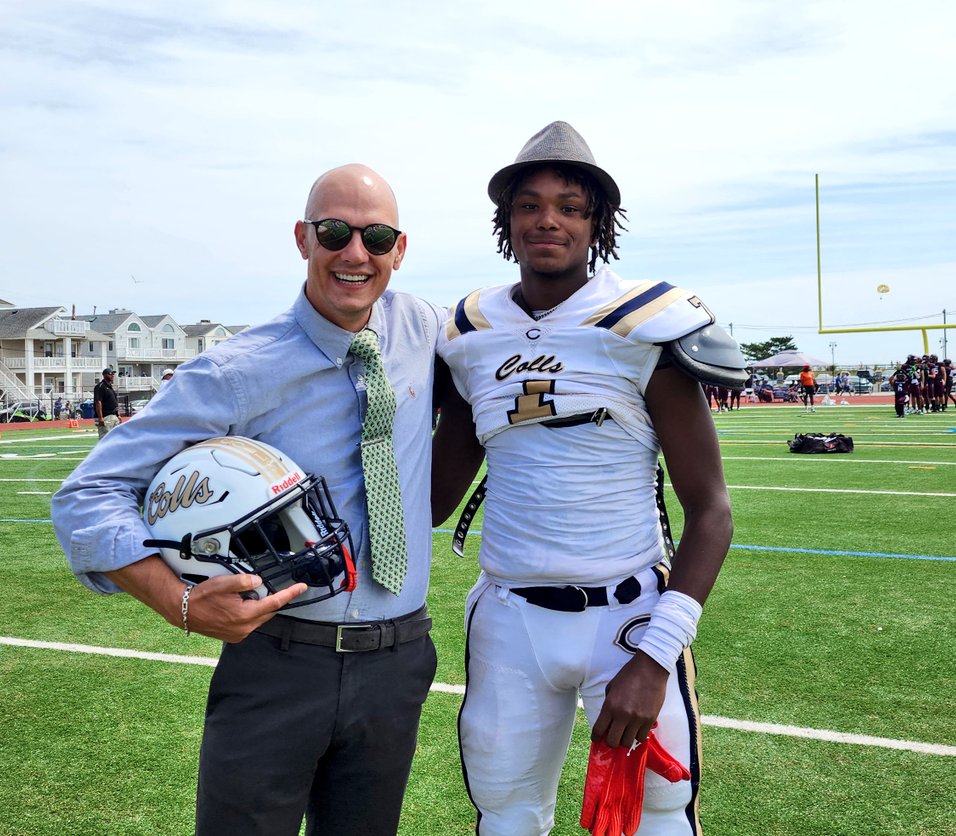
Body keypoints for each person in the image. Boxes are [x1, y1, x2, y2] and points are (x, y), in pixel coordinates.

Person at [52, 164, 445, 835]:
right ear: (302, 239)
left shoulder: (426, 327)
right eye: (334, 232)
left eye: (376, 236)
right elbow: (86, 496)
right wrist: (175, 600)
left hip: (397, 661)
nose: (356, 253)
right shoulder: (237, 371)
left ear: (399, 249)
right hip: (279, 661)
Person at [432, 121, 736, 835]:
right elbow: (435, 499)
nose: (548, 220)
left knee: (658, 815)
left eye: (570, 206)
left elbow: (712, 511)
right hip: (508, 616)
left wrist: (656, 657)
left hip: (625, 618)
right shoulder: (468, 333)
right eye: (530, 204)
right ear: (505, 220)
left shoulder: (642, 324)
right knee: (504, 813)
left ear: (598, 222)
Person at [93, 367, 120, 439]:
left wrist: (118, 415)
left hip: (113, 415)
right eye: (110, 374)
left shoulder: (110, 387)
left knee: (116, 438)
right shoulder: (100, 386)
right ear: (104, 375)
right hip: (106, 417)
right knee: (105, 438)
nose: (112, 375)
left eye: (113, 374)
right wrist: (100, 417)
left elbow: (114, 402)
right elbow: (98, 402)